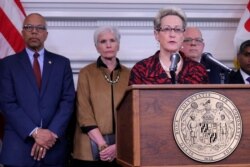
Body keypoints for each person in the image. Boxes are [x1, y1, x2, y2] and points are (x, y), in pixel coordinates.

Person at [0, 13, 75, 167]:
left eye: (39, 28)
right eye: (29, 27)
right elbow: (7, 103)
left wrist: (51, 134)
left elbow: (67, 101)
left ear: (46, 34)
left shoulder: (62, 64)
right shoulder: (7, 65)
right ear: (22, 32)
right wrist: (35, 132)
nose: (34, 31)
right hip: (18, 150)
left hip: (54, 150)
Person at [72, 26, 130, 167]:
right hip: (89, 149)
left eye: (112, 40)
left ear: (118, 45)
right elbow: (84, 113)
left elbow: (133, 115)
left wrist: (118, 146)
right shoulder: (86, 73)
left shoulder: (130, 74)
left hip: (122, 149)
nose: (108, 45)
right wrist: (103, 146)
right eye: (103, 41)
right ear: (97, 47)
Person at [129, 7, 208, 85]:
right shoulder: (141, 69)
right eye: (167, 29)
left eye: (177, 30)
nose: (172, 34)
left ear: (183, 35)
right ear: (157, 35)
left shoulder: (198, 70)